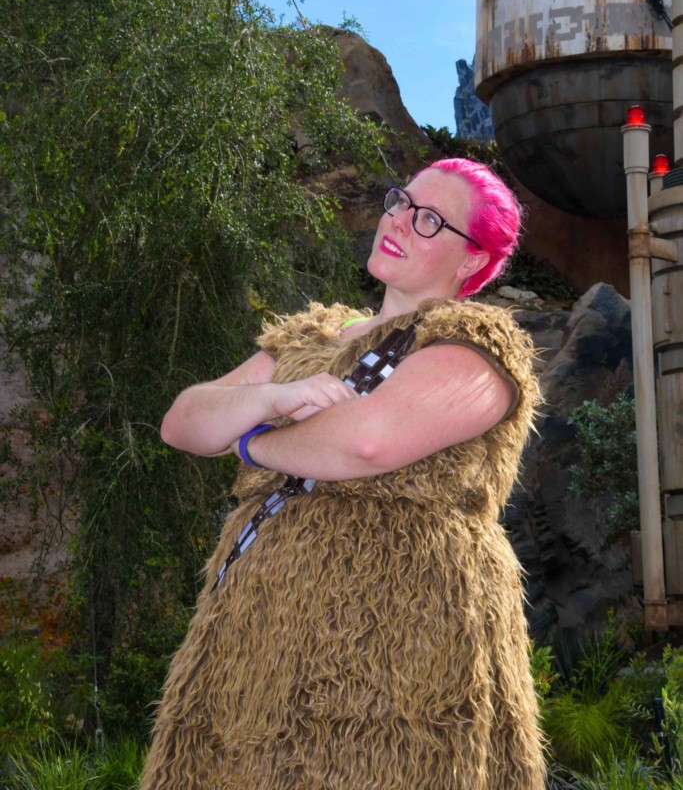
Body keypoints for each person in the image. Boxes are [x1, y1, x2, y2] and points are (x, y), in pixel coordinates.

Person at [140, 158, 545, 790]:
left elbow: (366, 441)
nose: (400, 222)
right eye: (402, 202)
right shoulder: (310, 334)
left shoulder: (480, 344)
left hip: (405, 639)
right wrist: (270, 398)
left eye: (431, 220)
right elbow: (183, 421)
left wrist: (248, 442)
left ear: (472, 261)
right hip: (255, 630)